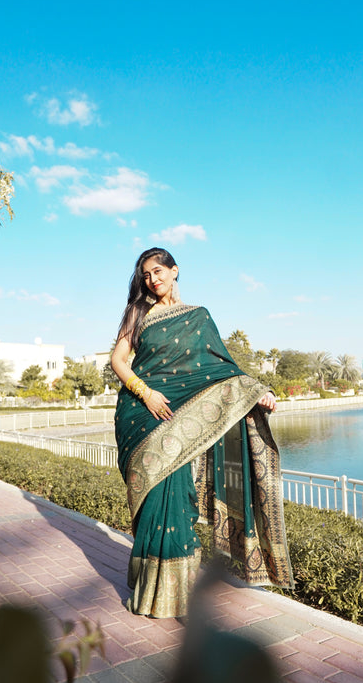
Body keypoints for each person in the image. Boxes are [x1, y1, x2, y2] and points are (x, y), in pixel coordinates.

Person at [111, 247, 293, 618]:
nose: (153, 279)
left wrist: (259, 393)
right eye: (146, 274)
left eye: (159, 271)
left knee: (177, 494)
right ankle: (150, 591)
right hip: (143, 412)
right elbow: (117, 359)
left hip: (179, 416)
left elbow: (222, 369)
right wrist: (146, 393)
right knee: (151, 499)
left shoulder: (199, 316)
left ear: (175, 271)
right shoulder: (138, 312)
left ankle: (172, 596)